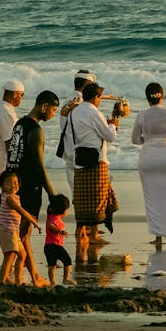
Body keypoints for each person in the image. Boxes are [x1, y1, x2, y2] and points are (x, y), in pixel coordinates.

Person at [6, 90, 60, 287]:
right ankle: (32, 277)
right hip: (29, 187)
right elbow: (39, 166)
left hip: (13, 183)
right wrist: (51, 192)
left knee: (18, 234)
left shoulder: (19, 124)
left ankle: (19, 274)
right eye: (53, 110)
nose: (53, 114)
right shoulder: (36, 130)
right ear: (43, 106)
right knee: (24, 234)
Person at [132, 82, 166, 246]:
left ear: (147, 98)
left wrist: (148, 140)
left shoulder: (141, 114)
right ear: (162, 96)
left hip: (148, 159)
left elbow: (135, 139)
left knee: (152, 199)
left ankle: (158, 238)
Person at [69, 82, 121, 246]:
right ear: (95, 97)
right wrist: (113, 125)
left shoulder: (74, 112)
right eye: (99, 97)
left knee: (83, 198)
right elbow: (109, 136)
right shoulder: (94, 112)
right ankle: (93, 236)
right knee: (97, 198)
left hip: (79, 157)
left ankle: (80, 231)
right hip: (96, 159)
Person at [0, 79, 25, 242]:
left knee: (9, 199)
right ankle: (12, 237)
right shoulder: (5, 113)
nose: (22, 98)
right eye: (21, 95)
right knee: (13, 200)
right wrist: (16, 167)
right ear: (14, 94)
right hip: (4, 163)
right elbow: (11, 142)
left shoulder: (1, 110)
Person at [0, 170, 41, 284]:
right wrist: (33, 221)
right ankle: (2, 280)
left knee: (22, 255)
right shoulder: (9, 198)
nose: (13, 185)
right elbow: (21, 211)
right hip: (8, 231)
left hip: (12, 232)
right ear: (2, 185)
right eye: (9, 183)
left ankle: (18, 280)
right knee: (9, 256)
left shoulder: (13, 197)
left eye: (15, 182)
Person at [58, 69, 96, 194]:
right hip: (80, 151)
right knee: (86, 192)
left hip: (68, 149)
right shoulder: (83, 103)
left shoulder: (68, 99)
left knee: (75, 191)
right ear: (87, 86)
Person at [45, 194, 75, 286]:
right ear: (63, 210)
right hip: (55, 245)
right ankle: (65, 279)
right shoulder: (54, 218)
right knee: (67, 260)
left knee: (52, 265)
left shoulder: (51, 216)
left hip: (48, 246)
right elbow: (50, 226)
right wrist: (60, 231)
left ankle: (52, 282)